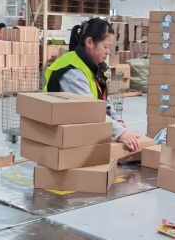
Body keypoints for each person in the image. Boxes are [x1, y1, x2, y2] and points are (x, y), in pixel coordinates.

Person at [44, 18, 141, 151]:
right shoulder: (73, 72)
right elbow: (89, 110)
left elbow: (103, 99)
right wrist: (120, 132)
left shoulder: (92, 66)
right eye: (105, 47)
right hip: (62, 139)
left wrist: (118, 121)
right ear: (89, 42)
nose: (108, 52)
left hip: (82, 129)